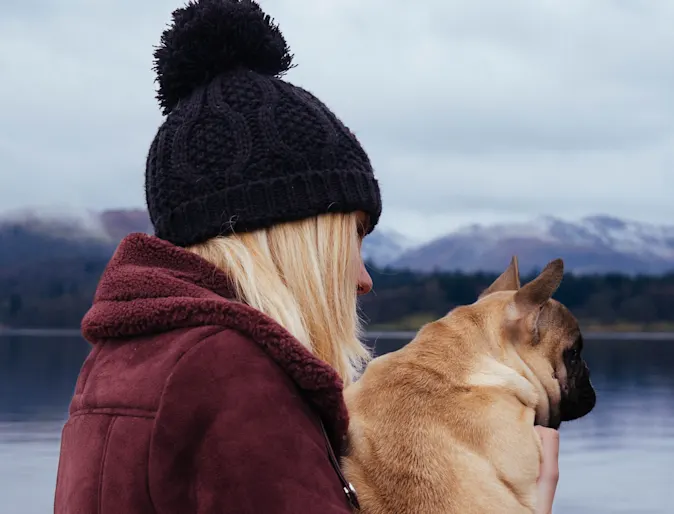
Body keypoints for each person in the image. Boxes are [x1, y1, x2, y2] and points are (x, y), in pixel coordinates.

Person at [53, 0, 560, 512]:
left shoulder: (117, 364)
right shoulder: (232, 378)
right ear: (295, 240)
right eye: (353, 237)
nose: (364, 278)